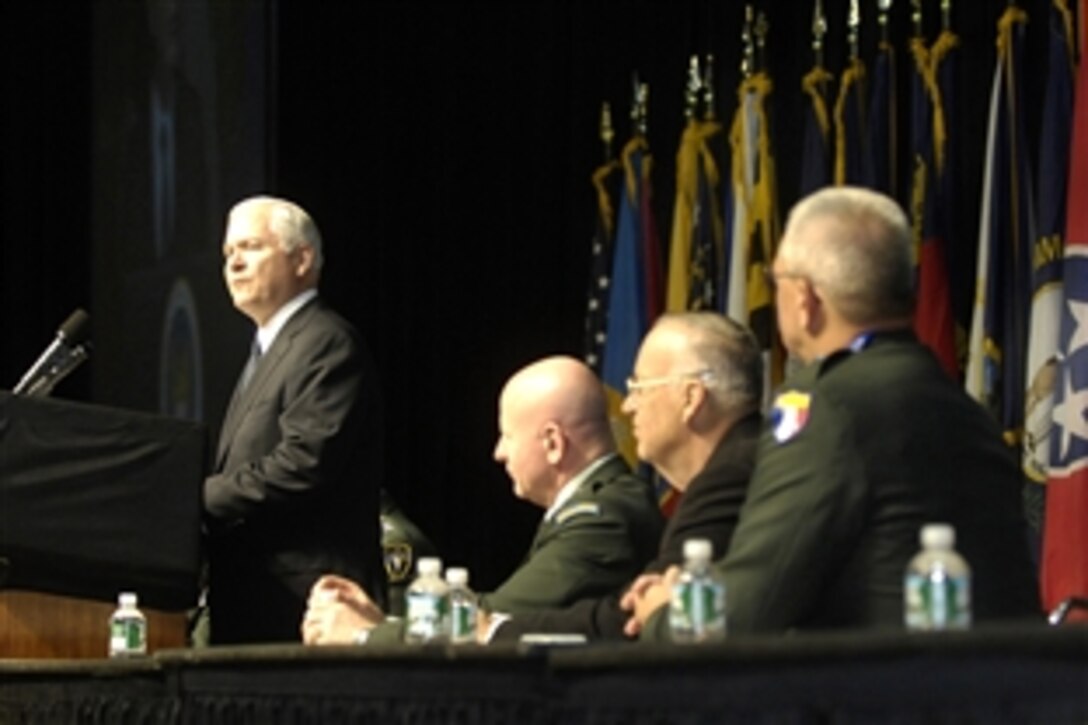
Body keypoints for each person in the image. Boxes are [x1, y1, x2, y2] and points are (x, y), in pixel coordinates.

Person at [627, 186, 1041, 637]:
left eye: (775, 281)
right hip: (1000, 694)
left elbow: (748, 606)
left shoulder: (824, 407)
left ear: (805, 299)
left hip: (881, 699)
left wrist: (664, 613)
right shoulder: (962, 407)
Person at [301, 355, 664, 645]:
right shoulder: (599, 503)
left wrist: (367, 635)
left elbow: (489, 625)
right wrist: (383, 621)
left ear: (553, 443)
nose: (498, 453)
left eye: (507, 436)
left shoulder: (604, 519)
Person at [490, 312, 763, 641]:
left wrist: (492, 630)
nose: (628, 406)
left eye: (639, 388)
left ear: (690, 398)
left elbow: (639, 616)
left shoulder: (729, 476)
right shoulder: (743, 461)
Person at [203, 195, 385, 644]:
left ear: (302, 259)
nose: (235, 264)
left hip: (305, 604)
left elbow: (303, 462)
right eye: (229, 253)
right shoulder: (267, 351)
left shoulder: (325, 342)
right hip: (255, 598)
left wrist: (201, 497)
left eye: (250, 247)